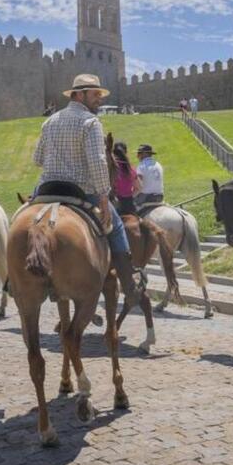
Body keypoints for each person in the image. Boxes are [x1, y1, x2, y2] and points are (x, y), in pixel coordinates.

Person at [32, 73, 138, 299]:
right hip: (80, 190)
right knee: (117, 227)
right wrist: (103, 197)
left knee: (22, 217)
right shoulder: (91, 122)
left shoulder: (49, 121)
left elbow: (38, 159)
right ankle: (129, 282)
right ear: (79, 95)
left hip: (47, 188)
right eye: (95, 94)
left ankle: (12, 280)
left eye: (100, 94)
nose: (99, 98)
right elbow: (98, 162)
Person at [111, 141, 138, 215]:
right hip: (130, 204)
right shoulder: (131, 168)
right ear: (126, 152)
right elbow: (138, 187)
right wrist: (130, 196)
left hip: (116, 204)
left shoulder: (111, 169)